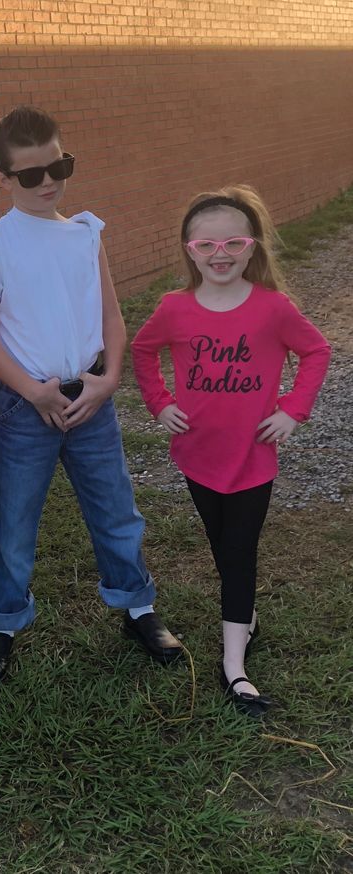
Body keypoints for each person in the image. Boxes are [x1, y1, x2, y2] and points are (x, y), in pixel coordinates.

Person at [0, 105, 183, 685]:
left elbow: (110, 313)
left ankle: (139, 608)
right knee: (12, 521)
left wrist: (108, 378)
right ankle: (2, 626)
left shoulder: (86, 232)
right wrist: (33, 391)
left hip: (90, 396)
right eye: (31, 174)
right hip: (24, 405)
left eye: (59, 165)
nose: (49, 182)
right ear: (5, 179)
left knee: (115, 511)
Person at [131, 184, 331, 716]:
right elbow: (142, 351)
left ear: (252, 246)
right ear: (189, 250)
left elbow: (316, 350)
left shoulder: (272, 308)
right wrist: (159, 402)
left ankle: (234, 666)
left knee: (239, 553)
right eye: (206, 246)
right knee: (223, 547)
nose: (220, 255)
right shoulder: (174, 309)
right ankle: (243, 614)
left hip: (253, 457)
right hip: (198, 455)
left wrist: (292, 409)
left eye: (233, 243)